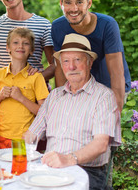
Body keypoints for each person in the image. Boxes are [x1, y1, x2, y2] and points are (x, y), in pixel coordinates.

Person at [27, 33, 121, 189]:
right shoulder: (55, 96)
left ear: (90, 63)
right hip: (50, 169)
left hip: (88, 171)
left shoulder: (104, 96)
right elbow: (31, 135)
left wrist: (68, 159)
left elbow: (101, 144)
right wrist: (14, 156)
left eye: (78, 60)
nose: (71, 67)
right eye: (66, 61)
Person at [51, 0, 131, 113]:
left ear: (89, 3)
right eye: (68, 2)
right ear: (61, 4)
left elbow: (117, 74)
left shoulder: (107, 25)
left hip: (110, 86)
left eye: (79, 2)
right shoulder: (58, 27)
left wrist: (114, 116)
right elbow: (60, 70)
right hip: (80, 88)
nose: (74, 8)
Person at [0, 27, 49, 149]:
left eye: (25, 43)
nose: (20, 46)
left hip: (24, 138)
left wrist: (21, 98)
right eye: (16, 42)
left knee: (20, 168)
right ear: (8, 48)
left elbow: (44, 113)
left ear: (31, 50)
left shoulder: (36, 77)